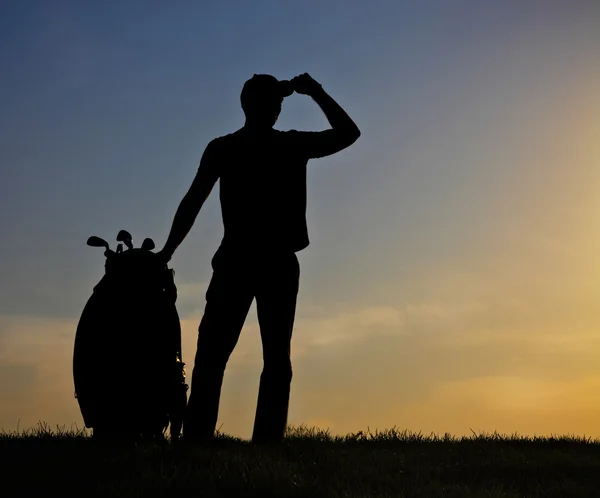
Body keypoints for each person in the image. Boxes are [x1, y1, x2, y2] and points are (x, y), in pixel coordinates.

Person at [157, 72, 360, 443]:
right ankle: (254, 444)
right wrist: (315, 92)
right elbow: (348, 133)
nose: (278, 110)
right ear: (271, 108)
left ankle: (200, 443)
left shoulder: (227, 148)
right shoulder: (285, 146)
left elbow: (192, 201)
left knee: (221, 357)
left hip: (244, 260)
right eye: (276, 104)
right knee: (264, 360)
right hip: (267, 262)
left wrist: (168, 250)